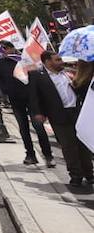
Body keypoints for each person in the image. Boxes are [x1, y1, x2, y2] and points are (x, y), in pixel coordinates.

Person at [29, 51, 93, 189]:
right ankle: (76, 175)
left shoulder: (67, 74)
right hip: (59, 115)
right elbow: (34, 96)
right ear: (47, 62)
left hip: (76, 112)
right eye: (57, 60)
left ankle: (90, 173)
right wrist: (38, 112)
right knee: (69, 146)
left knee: (83, 144)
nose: (61, 62)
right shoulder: (38, 76)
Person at [0, 41, 55, 167]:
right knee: (23, 128)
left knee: (38, 127)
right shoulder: (1, 63)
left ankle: (48, 155)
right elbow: (0, 78)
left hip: (31, 99)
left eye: (5, 48)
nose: (3, 51)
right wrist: (6, 90)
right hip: (16, 100)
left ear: (12, 48)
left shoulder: (25, 60)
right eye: (1, 49)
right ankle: (30, 154)